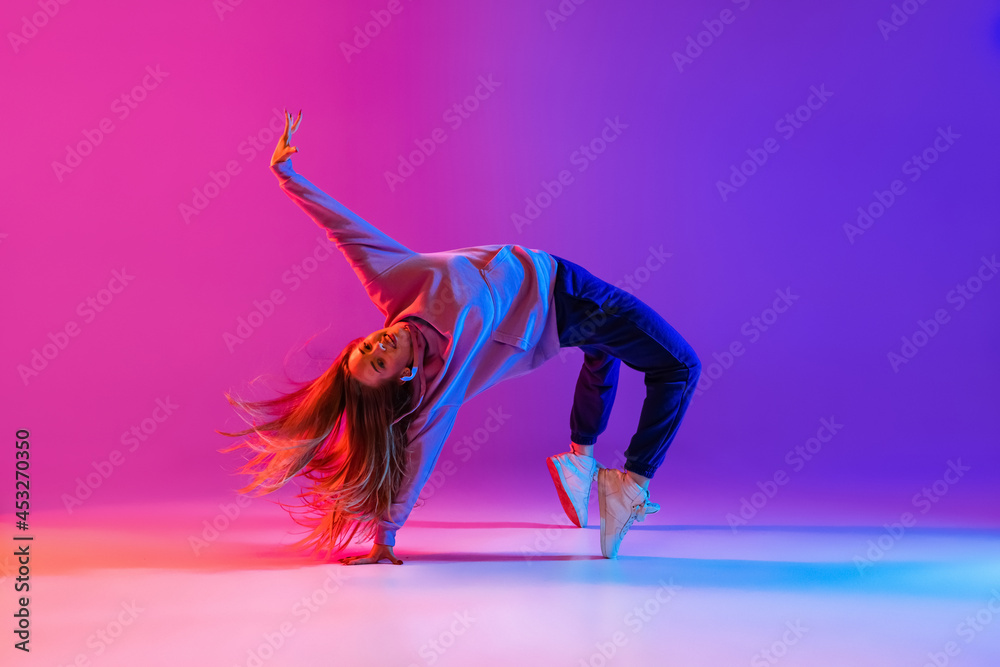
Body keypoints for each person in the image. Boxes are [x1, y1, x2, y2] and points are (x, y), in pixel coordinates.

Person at [219, 110, 702, 564]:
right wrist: (385, 537)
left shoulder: (395, 284)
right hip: (564, 296)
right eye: (378, 364)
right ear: (402, 377)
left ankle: (580, 462)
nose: (377, 347)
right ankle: (632, 483)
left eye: (366, 348)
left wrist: (286, 176)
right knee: (679, 367)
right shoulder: (442, 382)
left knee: (602, 354)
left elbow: (345, 231)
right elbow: (418, 451)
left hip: (553, 294)